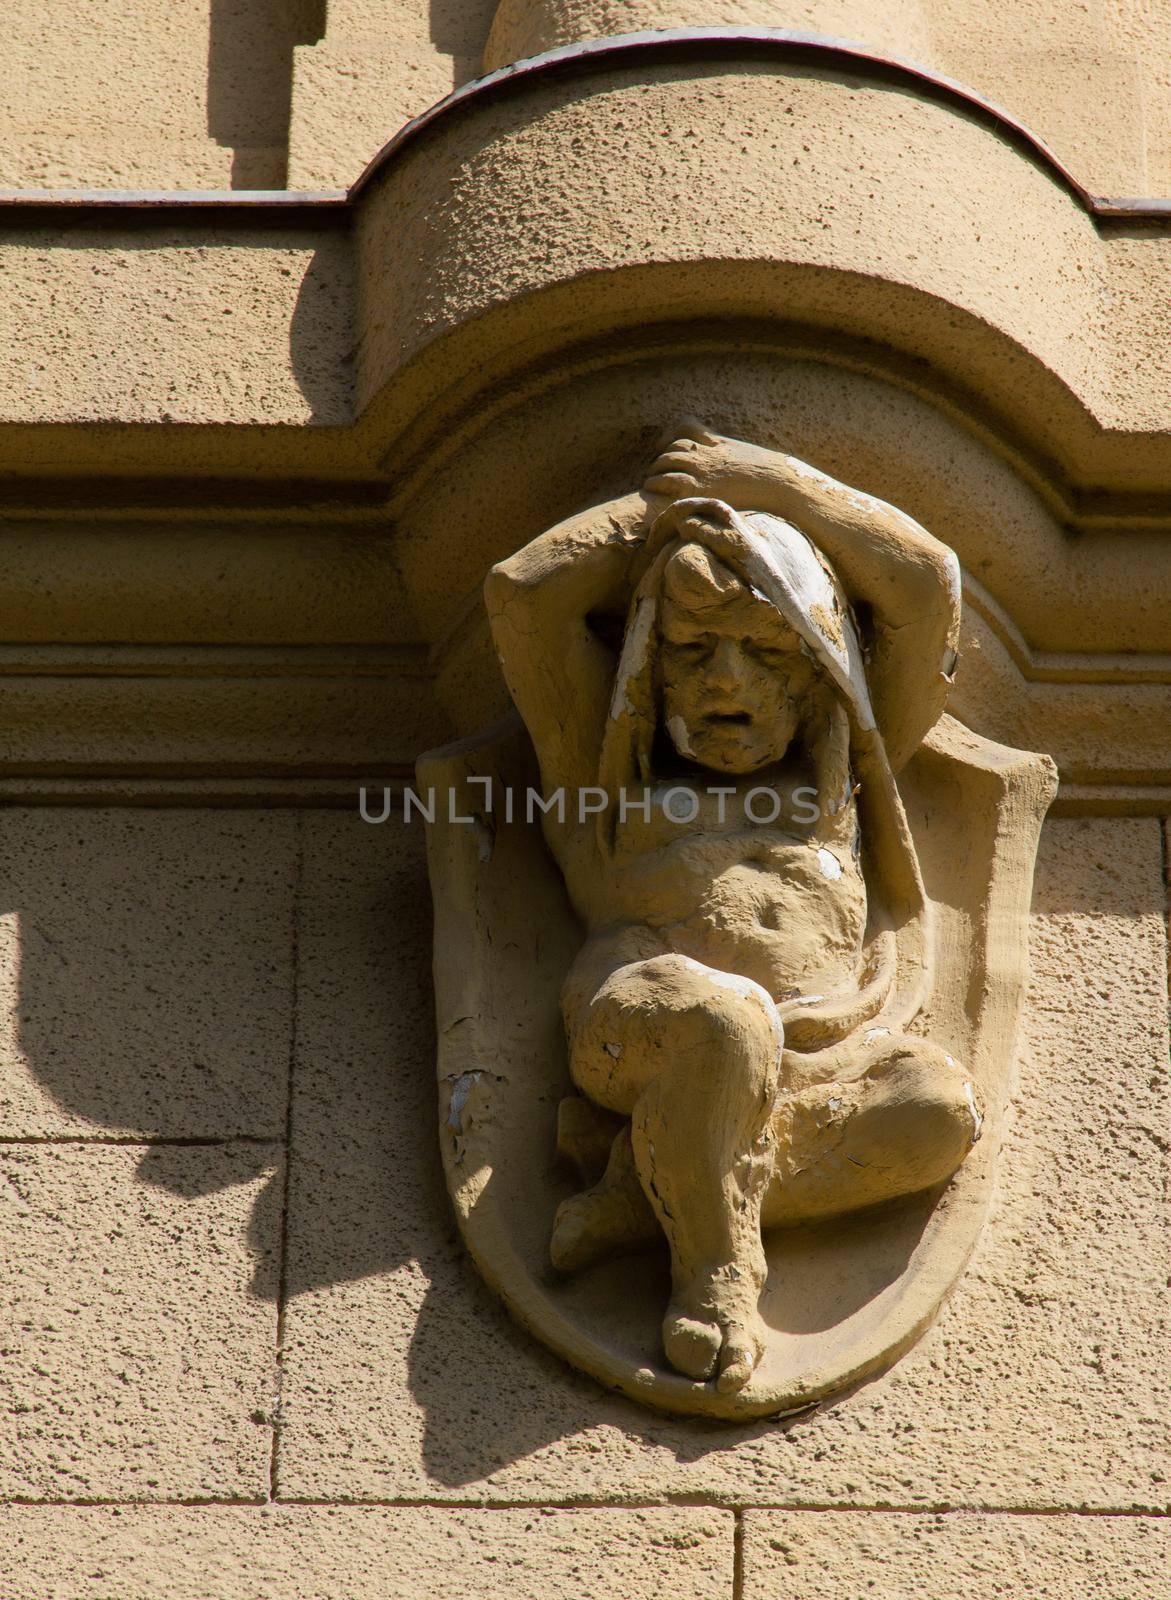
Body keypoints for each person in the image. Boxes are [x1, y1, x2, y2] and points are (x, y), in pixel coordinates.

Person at [484, 425, 981, 1393]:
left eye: (765, 652)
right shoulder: (603, 783)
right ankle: (716, 1271)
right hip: (642, 1026)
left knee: (932, 1110)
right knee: (721, 1014)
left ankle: (651, 1186)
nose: (725, 680)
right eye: (692, 649)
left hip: (815, 1054)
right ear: (649, 666)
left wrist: (774, 484)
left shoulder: (842, 792)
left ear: (817, 677)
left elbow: (925, 585)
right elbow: (523, 594)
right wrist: (677, 509)